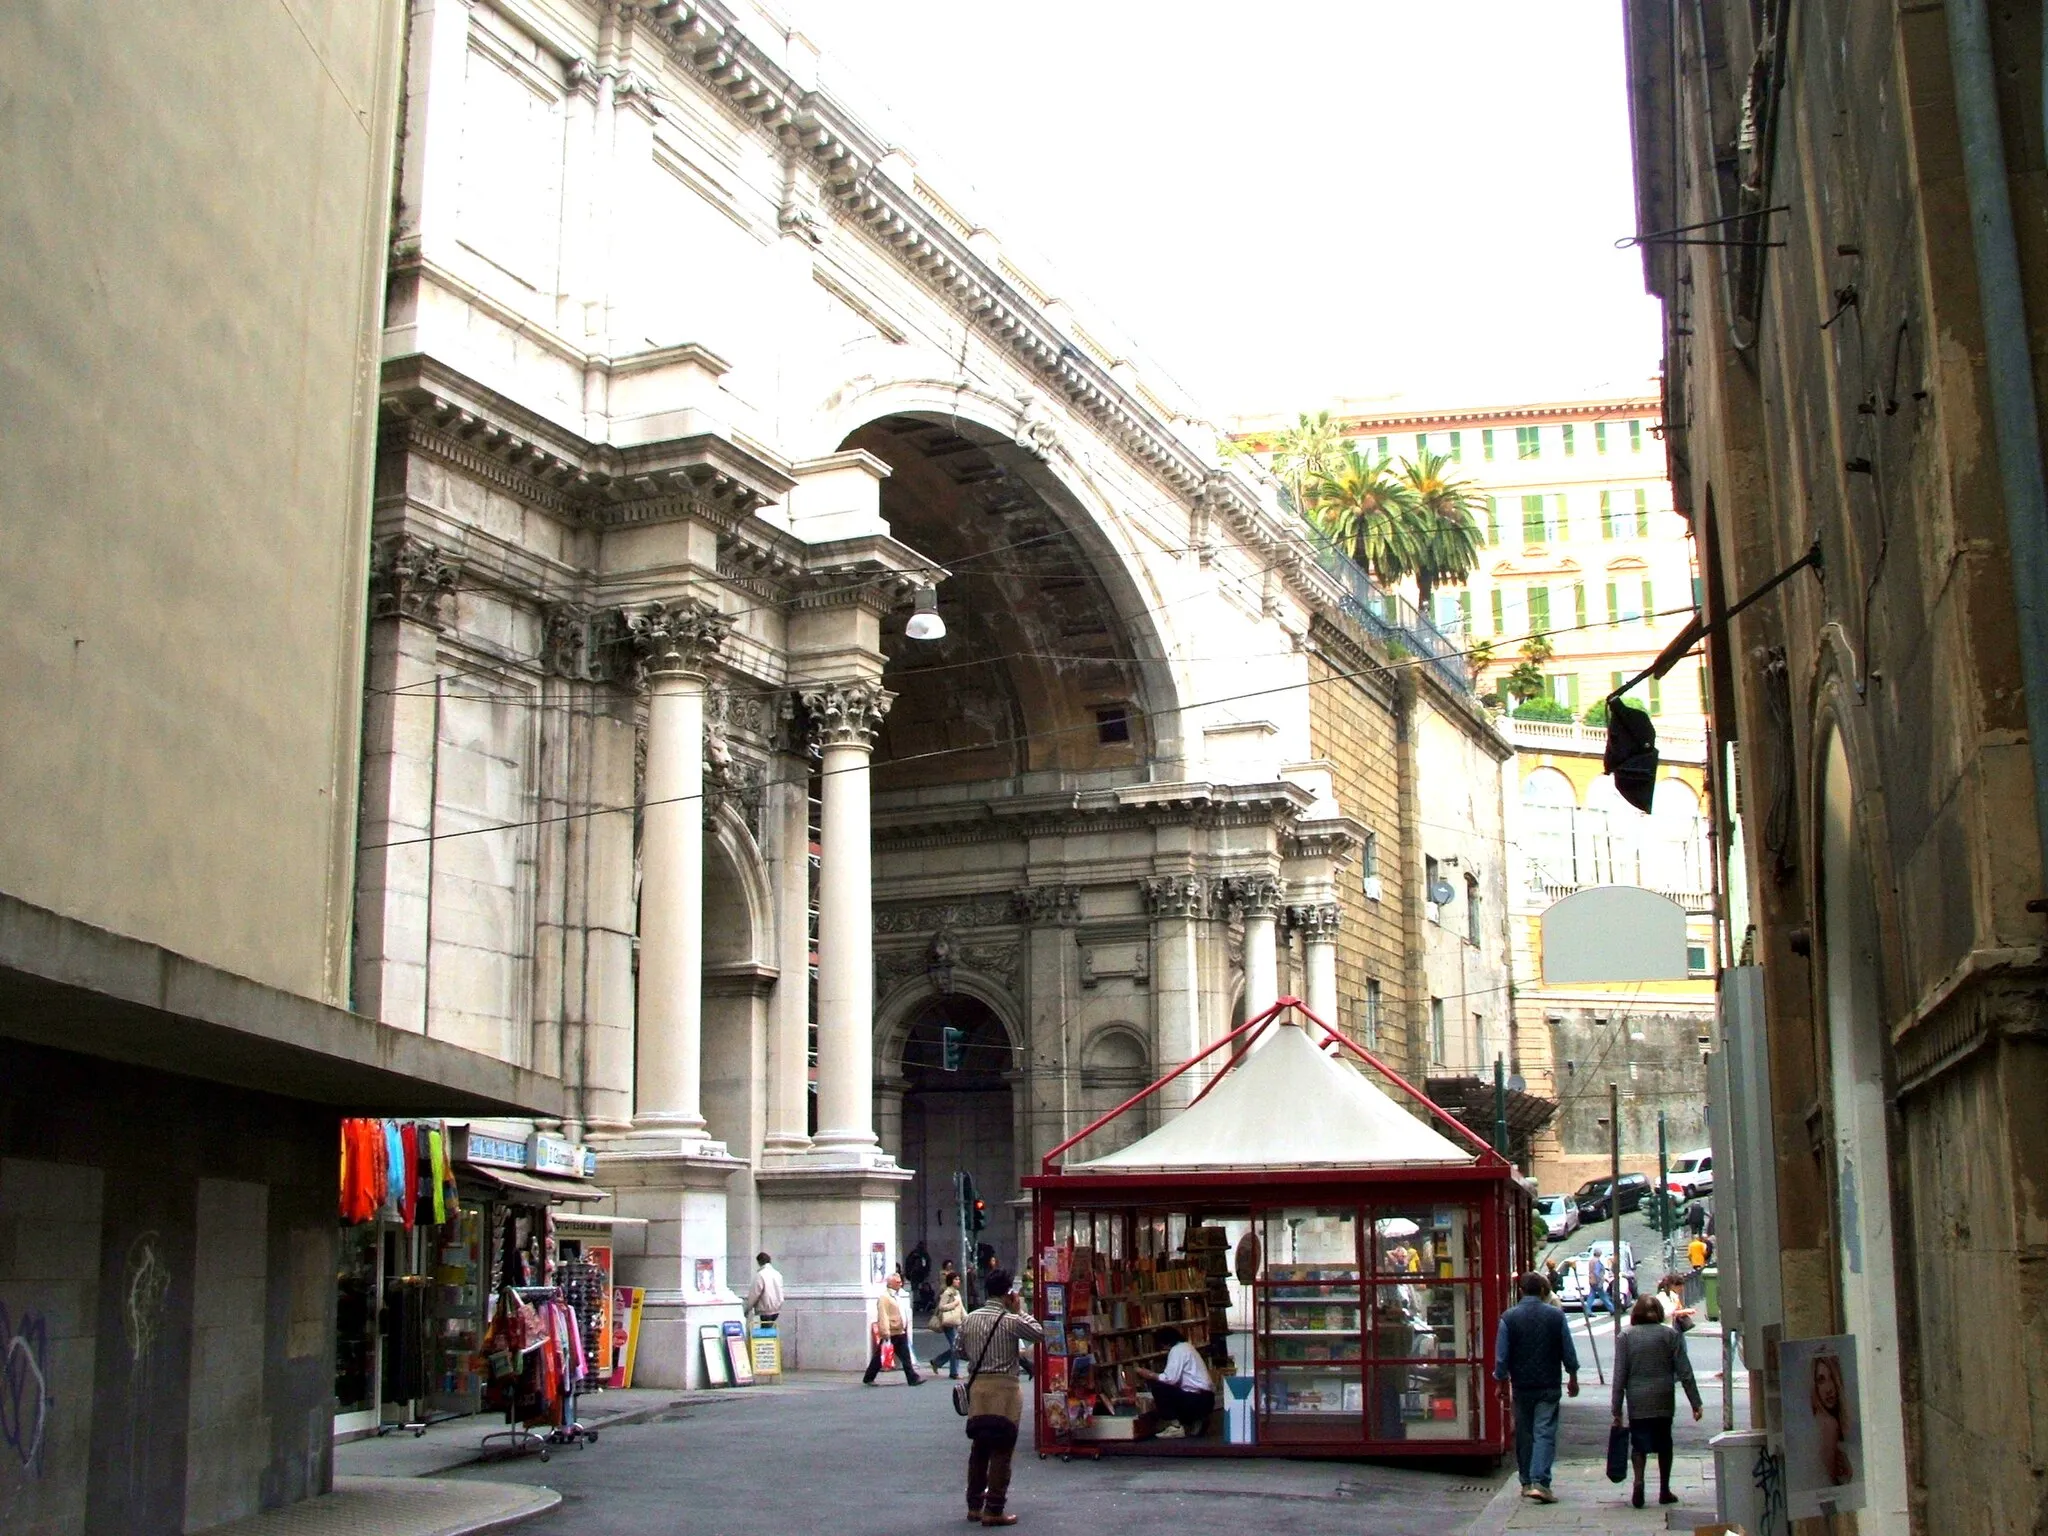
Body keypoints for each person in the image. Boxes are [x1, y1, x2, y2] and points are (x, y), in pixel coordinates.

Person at [957, 1268, 1043, 1526]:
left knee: (979, 1447)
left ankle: (974, 1505)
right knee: (1002, 1449)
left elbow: (959, 1350)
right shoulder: (1010, 1321)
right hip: (1005, 1390)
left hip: (979, 1389)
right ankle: (994, 1508)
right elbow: (1039, 1333)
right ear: (1009, 1293)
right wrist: (1019, 1311)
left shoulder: (970, 1318)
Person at [1494, 1272, 1580, 1504]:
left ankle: (1526, 1482)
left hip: (1522, 1385)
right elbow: (1567, 1349)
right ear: (1542, 1291)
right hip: (1549, 1384)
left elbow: (1502, 1357)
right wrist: (1572, 1375)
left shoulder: (1508, 1318)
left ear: (1520, 1291)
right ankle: (1541, 1481)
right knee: (1544, 1431)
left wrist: (1500, 1381)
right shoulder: (1555, 1316)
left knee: (1524, 1432)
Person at [1612, 1293, 1703, 1508]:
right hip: (1663, 1396)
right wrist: (1695, 1402)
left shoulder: (1625, 1337)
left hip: (1637, 1397)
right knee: (1664, 1443)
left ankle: (1639, 1480)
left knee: (1639, 1442)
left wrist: (1616, 1408)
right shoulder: (1670, 1335)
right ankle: (1664, 1489)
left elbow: (1619, 1375)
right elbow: (1685, 1371)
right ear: (1659, 1314)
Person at [1134, 1326, 1215, 1439]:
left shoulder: (1177, 1350)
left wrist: (1149, 1374)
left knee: (1159, 1388)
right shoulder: (1188, 1347)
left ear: (1164, 1342)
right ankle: (1196, 1419)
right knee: (1172, 1390)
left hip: (1196, 1399)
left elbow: (1170, 1379)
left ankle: (1175, 1426)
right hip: (1206, 1397)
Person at [862, 1273, 923, 1386]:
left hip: (900, 1331)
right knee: (880, 1356)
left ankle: (912, 1378)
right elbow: (883, 1315)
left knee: (906, 1356)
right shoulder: (885, 1298)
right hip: (891, 1331)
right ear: (891, 1284)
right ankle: (868, 1377)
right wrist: (885, 1332)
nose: (900, 1284)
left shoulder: (897, 1295)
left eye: (900, 1282)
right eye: (897, 1282)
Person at [1812, 1350, 1854, 1486]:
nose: (1829, 1388)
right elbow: (1832, 1486)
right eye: (1821, 1380)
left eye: (1832, 1378)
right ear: (1815, 1386)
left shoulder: (1819, 1422)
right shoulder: (1829, 1424)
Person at [929, 1265, 968, 1378]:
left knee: (955, 1346)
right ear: (951, 1281)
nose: (958, 1281)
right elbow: (941, 1307)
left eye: (958, 1279)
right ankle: (954, 1372)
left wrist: (967, 1318)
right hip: (948, 1322)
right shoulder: (948, 1292)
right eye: (956, 1279)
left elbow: (961, 1308)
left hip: (955, 1321)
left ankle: (937, 1362)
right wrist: (953, 1304)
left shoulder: (956, 1292)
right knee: (955, 1347)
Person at [744, 1251, 784, 1326]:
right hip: (776, 1309)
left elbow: (754, 1294)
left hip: (764, 1309)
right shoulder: (777, 1274)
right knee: (770, 1332)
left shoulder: (760, 1275)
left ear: (759, 1262)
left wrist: (748, 1309)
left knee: (764, 1334)